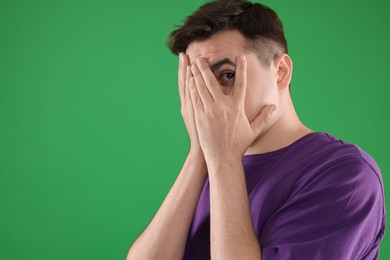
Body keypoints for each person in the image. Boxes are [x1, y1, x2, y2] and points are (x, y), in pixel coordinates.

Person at [126, 0, 386, 259]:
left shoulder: (346, 176)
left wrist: (223, 159)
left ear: (280, 72)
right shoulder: (209, 165)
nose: (208, 97)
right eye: (196, 82)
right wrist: (199, 154)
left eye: (227, 75)